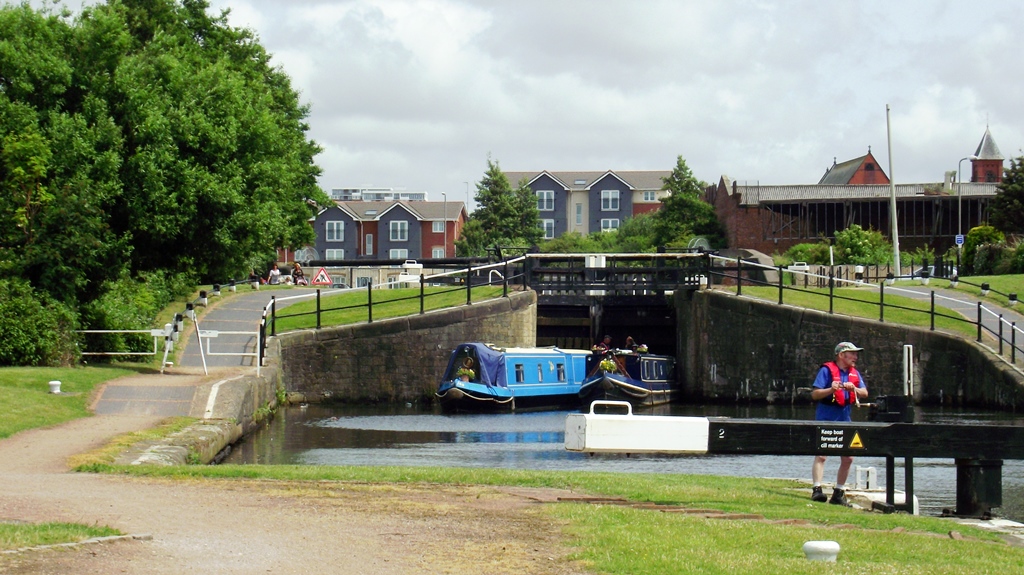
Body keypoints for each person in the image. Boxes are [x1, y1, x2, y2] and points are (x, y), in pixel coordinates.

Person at [810, 341, 869, 506]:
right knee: (822, 455)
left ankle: (839, 492)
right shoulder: (826, 370)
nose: (856, 357)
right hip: (826, 417)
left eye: (856, 354)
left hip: (845, 419)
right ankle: (817, 489)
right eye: (852, 353)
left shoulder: (854, 373)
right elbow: (815, 394)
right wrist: (831, 389)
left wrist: (853, 389)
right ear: (841, 355)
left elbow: (864, 392)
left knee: (848, 457)